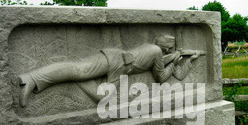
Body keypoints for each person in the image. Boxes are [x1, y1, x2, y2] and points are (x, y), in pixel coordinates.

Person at [18, 34, 204, 107]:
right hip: (118, 62)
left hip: (117, 62)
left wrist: (187, 61)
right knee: (83, 74)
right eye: (170, 49)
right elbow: (161, 77)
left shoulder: (152, 50)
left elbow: (172, 73)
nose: (171, 51)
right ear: (167, 47)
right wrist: (174, 62)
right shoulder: (155, 51)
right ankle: (32, 78)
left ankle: (69, 80)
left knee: (84, 76)